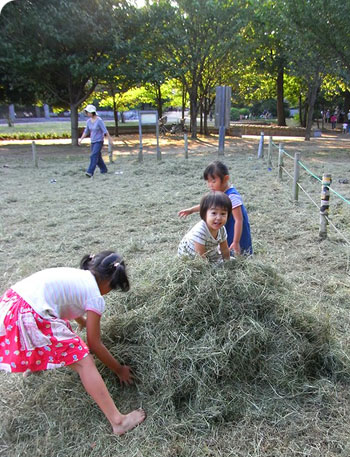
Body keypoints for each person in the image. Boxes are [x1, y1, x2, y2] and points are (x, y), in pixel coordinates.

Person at [0, 251, 146, 435]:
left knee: (59, 330)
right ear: (110, 282)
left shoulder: (79, 277)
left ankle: (34, 365)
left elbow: (66, 302)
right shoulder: (95, 297)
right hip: (30, 314)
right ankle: (119, 421)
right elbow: (94, 344)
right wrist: (119, 369)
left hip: (12, 305)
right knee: (85, 362)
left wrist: (83, 323)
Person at [178, 161, 253, 256]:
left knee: (239, 251)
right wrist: (191, 210)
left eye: (214, 181)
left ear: (225, 179)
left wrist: (236, 241)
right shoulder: (219, 194)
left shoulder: (232, 196)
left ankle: (241, 260)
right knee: (225, 248)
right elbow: (208, 205)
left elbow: (239, 220)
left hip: (236, 230)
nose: (210, 185)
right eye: (208, 182)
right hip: (224, 225)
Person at [178, 191, 231, 263]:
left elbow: (224, 249)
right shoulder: (200, 231)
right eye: (214, 213)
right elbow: (200, 257)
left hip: (208, 250)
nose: (218, 218)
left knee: (231, 260)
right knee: (213, 266)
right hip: (192, 256)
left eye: (223, 214)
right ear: (204, 213)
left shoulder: (222, 229)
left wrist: (228, 263)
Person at [78, 104, 113, 178]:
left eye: (87, 112)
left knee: (93, 156)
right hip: (93, 141)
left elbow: (105, 131)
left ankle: (90, 172)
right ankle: (104, 169)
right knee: (98, 157)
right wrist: (81, 139)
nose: (87, 113)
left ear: (92, 112)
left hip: (99, 141)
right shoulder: (88, 122)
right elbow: (86, 131)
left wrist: (110, 139)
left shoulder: (99, 120)